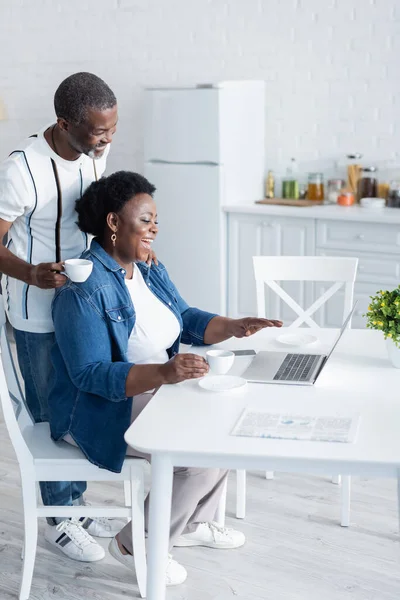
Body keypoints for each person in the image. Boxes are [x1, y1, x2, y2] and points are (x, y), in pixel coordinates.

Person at [48, 170, 283, 584]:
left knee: (225, 425)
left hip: (156, 387)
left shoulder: (148, 268)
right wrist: (164, 371)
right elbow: (89, 375)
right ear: (113, 223)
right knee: (197, 450)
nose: (155, 228)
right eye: (145, 219)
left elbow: (185, 317)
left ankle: (189, 525)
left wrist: (231, 325)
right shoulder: (81, 289)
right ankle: (136, 543)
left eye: (156, 220)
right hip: (101, 408)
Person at [0, 72, 126, 562]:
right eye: (98, 132)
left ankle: (73, 501)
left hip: (86, 303)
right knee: (51, 412)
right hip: (36, 309)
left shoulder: (97, 149)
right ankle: (58, 518)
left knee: (83, 405)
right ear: (64, 122)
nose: (107, 139)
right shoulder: (21, 168)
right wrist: (30, 273)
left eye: (112, 129)